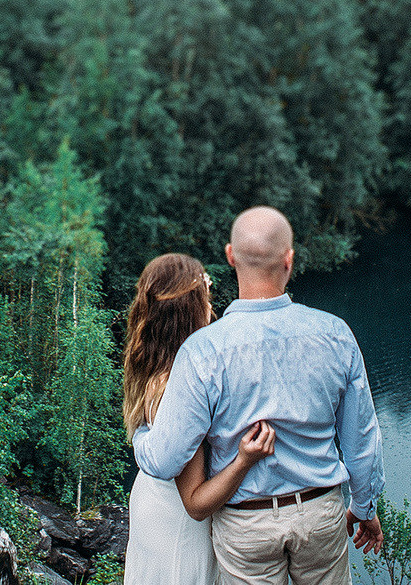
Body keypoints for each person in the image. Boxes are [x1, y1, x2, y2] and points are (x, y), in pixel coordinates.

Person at [133, 208, 383, 585]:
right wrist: (364, 506)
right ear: (290, 259)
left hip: (245, 524)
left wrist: (140, 436)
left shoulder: (202, 352)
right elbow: (361, 439)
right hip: (319, 514)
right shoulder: (335, 334)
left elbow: (166, 460)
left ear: (230, 256)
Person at [122, 253, 278, 585]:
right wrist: (244, 460)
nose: (210, 307)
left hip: (153, 503)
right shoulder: (178, 388)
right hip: (178, 524)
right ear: (190, 310)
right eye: (205, 297)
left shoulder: (155, 369)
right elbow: (196, 502)